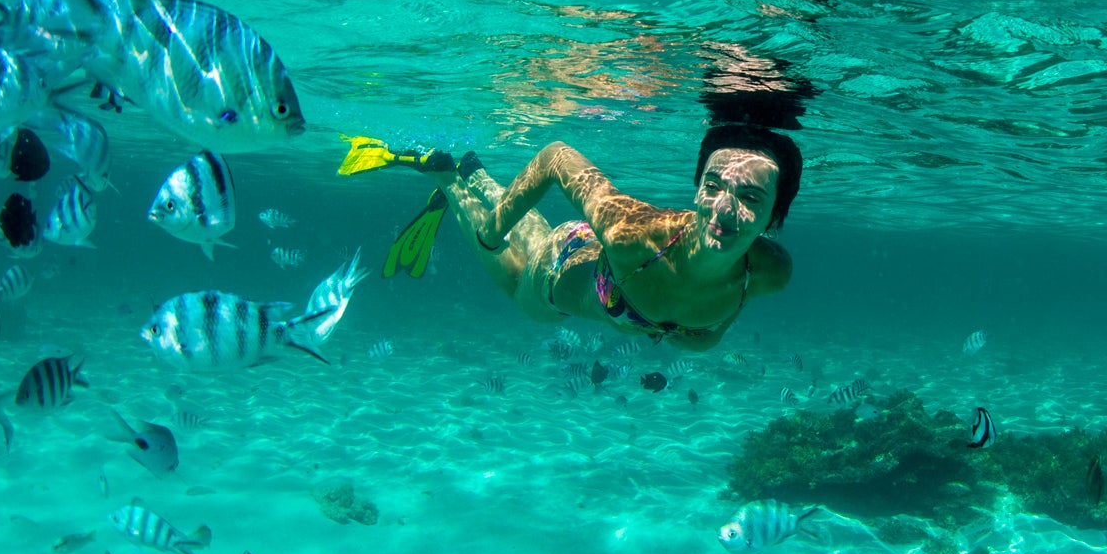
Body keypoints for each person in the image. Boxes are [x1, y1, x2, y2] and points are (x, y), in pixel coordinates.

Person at [341, 125, 798, 350]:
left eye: (750, 197)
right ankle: (446, 178)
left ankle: (474, 176)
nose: (722, 207)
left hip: (590, 258)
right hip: (559, 273)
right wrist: (492, 233)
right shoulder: (632, 235)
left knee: (533, 236)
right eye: (712, 186)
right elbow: (557, 157)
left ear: (774, 217)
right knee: (518, 281)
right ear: (697, 188)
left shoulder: (770, 271)